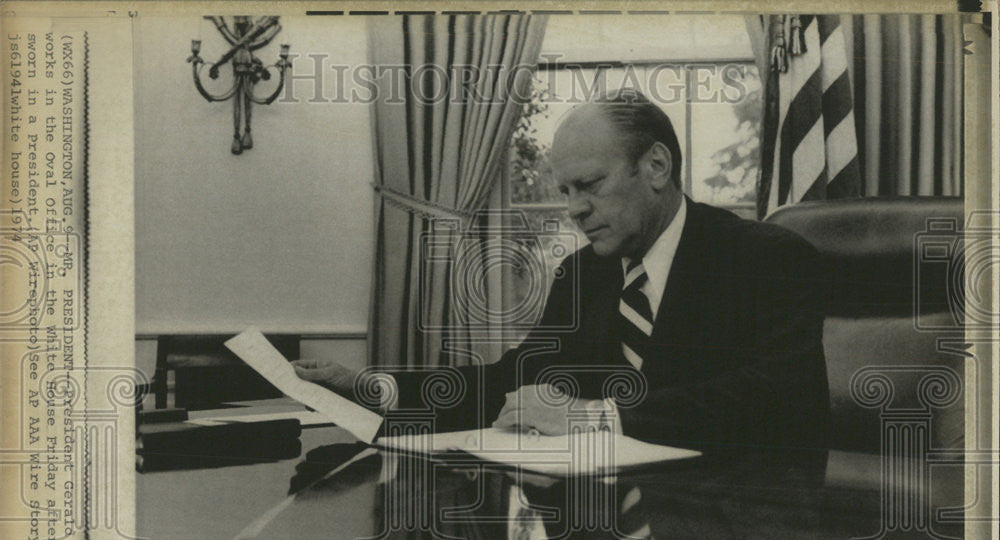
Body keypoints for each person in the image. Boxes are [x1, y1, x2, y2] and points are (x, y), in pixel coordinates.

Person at [295, 89, 829, 454]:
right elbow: (511, 381)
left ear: (657, 167)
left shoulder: (766, 258)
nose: (574, 210)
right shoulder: (584, 275)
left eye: (590, 185)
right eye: (565, 191)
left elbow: (776, 400)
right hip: (613, 533)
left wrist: (593, 418)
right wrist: (376, 388)